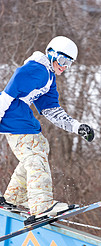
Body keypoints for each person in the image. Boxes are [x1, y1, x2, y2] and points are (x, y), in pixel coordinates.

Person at [0, 36, 94, 222]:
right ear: (51, 55)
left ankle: (13, 198)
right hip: (12, 114)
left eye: (69, 63)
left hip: (20, 116)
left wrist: (77, 126)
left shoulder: (49, 77)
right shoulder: (38, 69)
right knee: (35, 153)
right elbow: (10, 90)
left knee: (40, 147)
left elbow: (51, 110)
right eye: (62, 61)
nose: (64, 67)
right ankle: (41, 205)